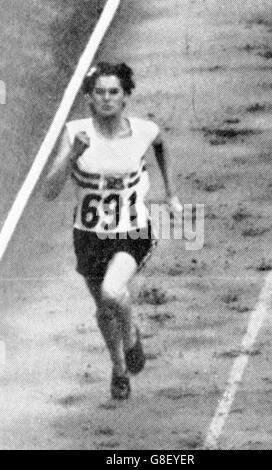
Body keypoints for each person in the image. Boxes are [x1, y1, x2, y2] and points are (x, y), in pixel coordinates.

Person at [44, 62, 183, 400]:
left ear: (124, 98)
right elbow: (48, 192)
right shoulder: (74, 132)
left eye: (113, 92)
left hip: (132, 231)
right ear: (90, 98)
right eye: (99, 92)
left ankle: (132, 336)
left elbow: (161, 145)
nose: (106, 98)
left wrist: (171, 194)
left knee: (111, 292)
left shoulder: (143, 131)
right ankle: (119, 368)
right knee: (104, 309)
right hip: (89, 236)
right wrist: (72, 155)